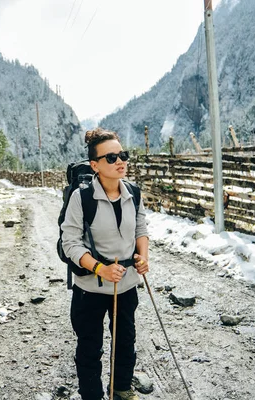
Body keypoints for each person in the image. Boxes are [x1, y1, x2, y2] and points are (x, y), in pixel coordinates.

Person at [61, 128, 149, 400]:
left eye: (122, 155)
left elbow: (140, 228)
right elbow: (70, 243)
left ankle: (121, 388)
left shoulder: (133, 192)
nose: (120, 161)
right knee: (90, 346)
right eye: (111, 158)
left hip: (126, 285)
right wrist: (101, 269)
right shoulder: (82, 197)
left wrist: (143, 257)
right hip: (90, 288)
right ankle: (91, 395)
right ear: (95, 165)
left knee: (125, 341)